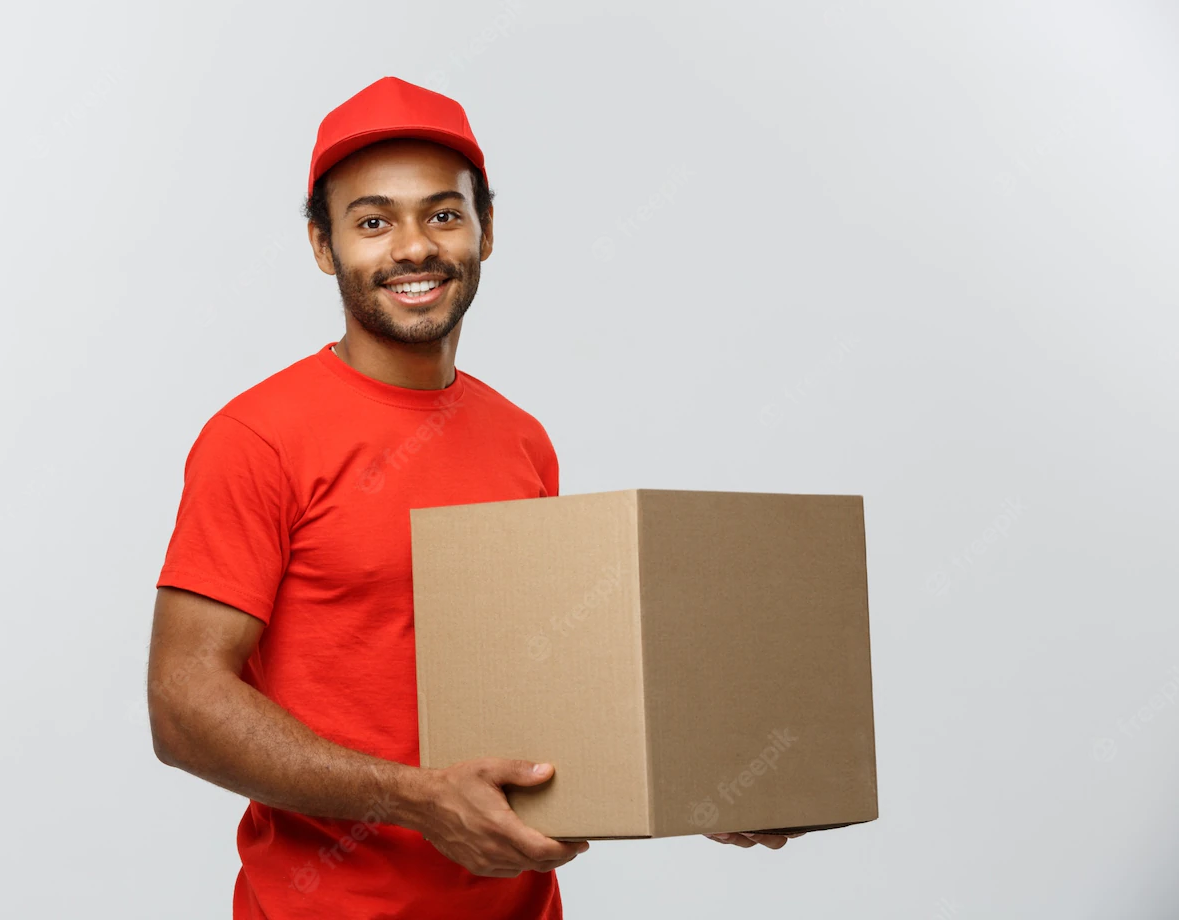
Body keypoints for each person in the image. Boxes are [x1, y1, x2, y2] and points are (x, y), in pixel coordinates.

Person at [148, 75, 800, 920]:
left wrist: (704, 779)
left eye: (443, 214)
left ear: (486, 231)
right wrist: (418, 799)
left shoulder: (521, 440)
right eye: (372, 221)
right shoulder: (257, 438)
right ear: (322, 245)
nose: (413, 247)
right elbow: (182, 701)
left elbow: (553, 687)